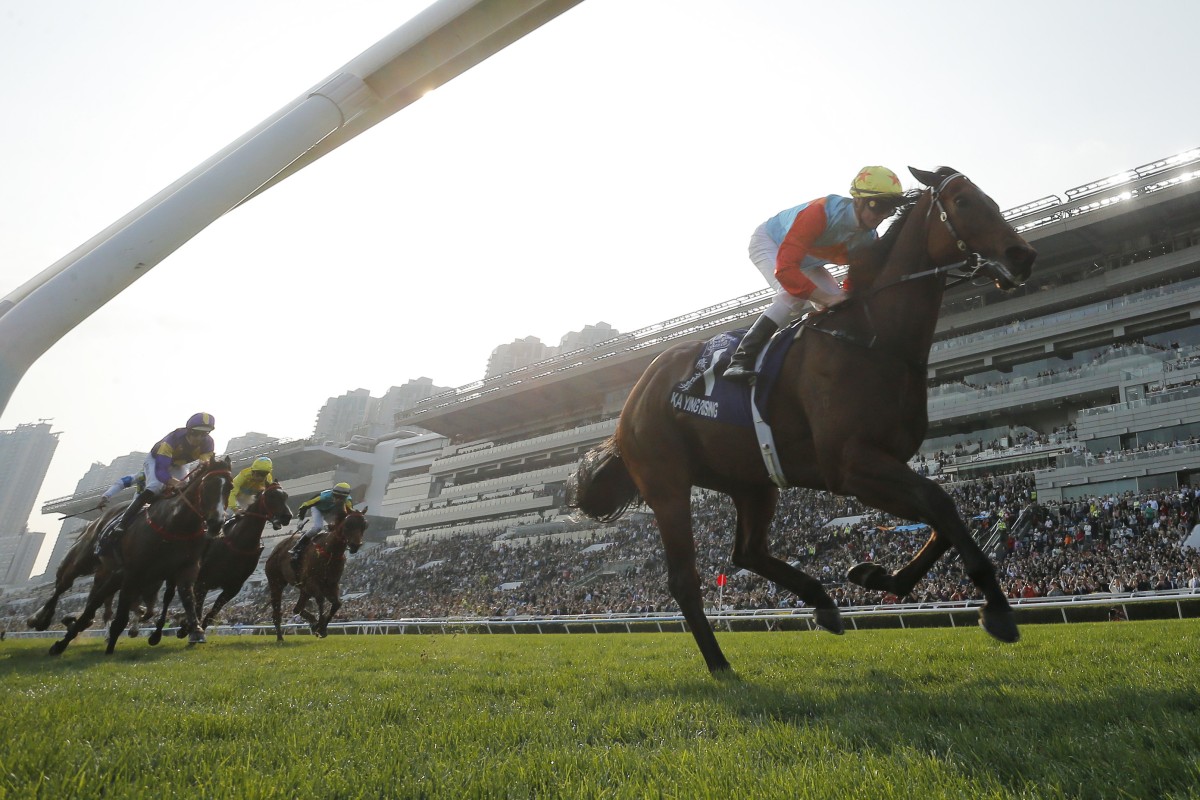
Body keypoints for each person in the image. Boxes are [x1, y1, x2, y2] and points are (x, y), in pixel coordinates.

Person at [724, 166, 907, 382]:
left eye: (890, 210)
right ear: (858, 200)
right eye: (879, 206)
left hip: (807, 257)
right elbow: (785, 269)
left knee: (842, 304)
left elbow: (854, 284)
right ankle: (740, 360)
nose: (882, 216)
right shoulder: (820, 213)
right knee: (792, 295)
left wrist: (840, 298)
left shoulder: (868, 239)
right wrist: (827, 298)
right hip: (771, 242)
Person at [97, 413, 217, 557]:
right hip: (156, 461)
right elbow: (161, 471)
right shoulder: (171, 441)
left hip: (178, 464)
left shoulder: (208, 443)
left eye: (204, 434)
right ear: (188, 430)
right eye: (195, 433)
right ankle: (122, 524)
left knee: (186, 486)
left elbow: (206, 464)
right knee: (155, 485)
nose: (199, 439)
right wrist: (106, 496)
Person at [290, 482, 354, 571]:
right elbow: (305, 505)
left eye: (341, 498)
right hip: (318, 509)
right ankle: (298, 547)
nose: (338, 499)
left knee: (339, 529)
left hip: (331, 511)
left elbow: (349, 515)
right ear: (333, 493)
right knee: (318, 527)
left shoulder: (348, 501)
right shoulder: (324, 496)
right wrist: (300, 519)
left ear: (345, 497)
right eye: (336, 496)